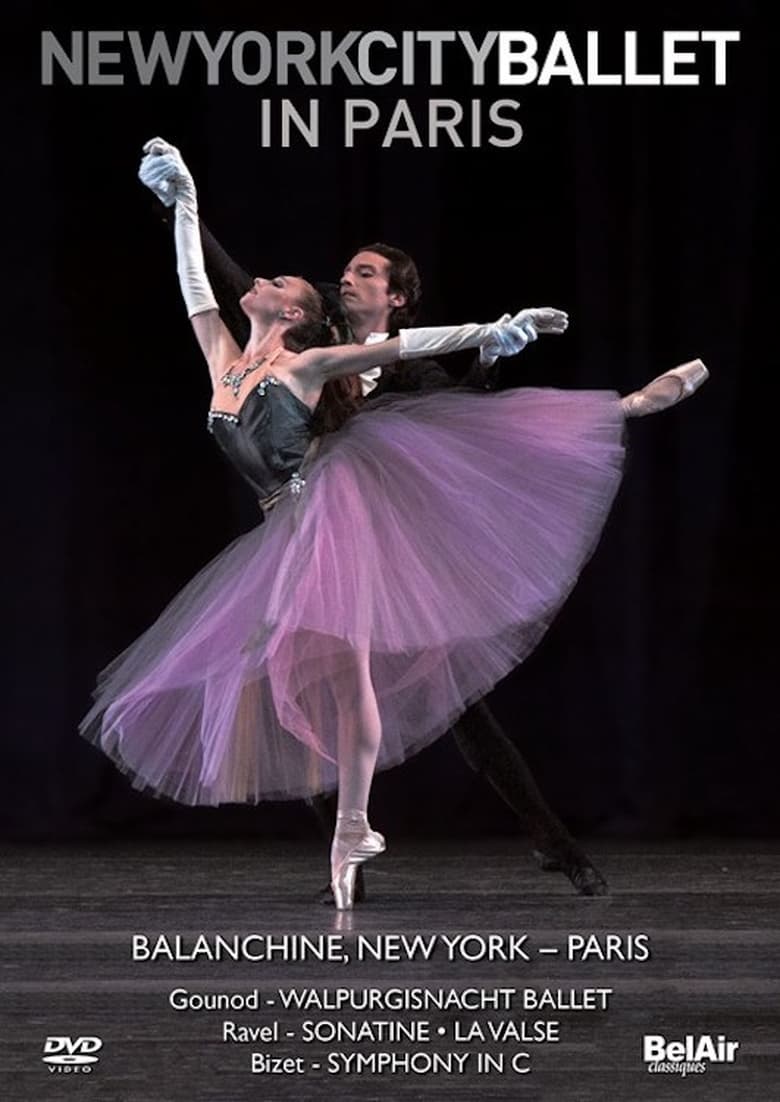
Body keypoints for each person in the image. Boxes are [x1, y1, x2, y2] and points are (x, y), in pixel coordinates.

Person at [80, 139, 708, 910]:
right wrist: (182, 200)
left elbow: (468, 423)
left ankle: (549, 841)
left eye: (364, 273)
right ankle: (349, 853)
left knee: (449, 701)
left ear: (397, 294)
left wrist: (492, 342)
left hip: (377, 529)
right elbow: (214, 284)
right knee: (302, 690)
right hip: (303, 528)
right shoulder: (294, 339)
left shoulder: (369, 362)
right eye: (341, 274)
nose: (345, 278)